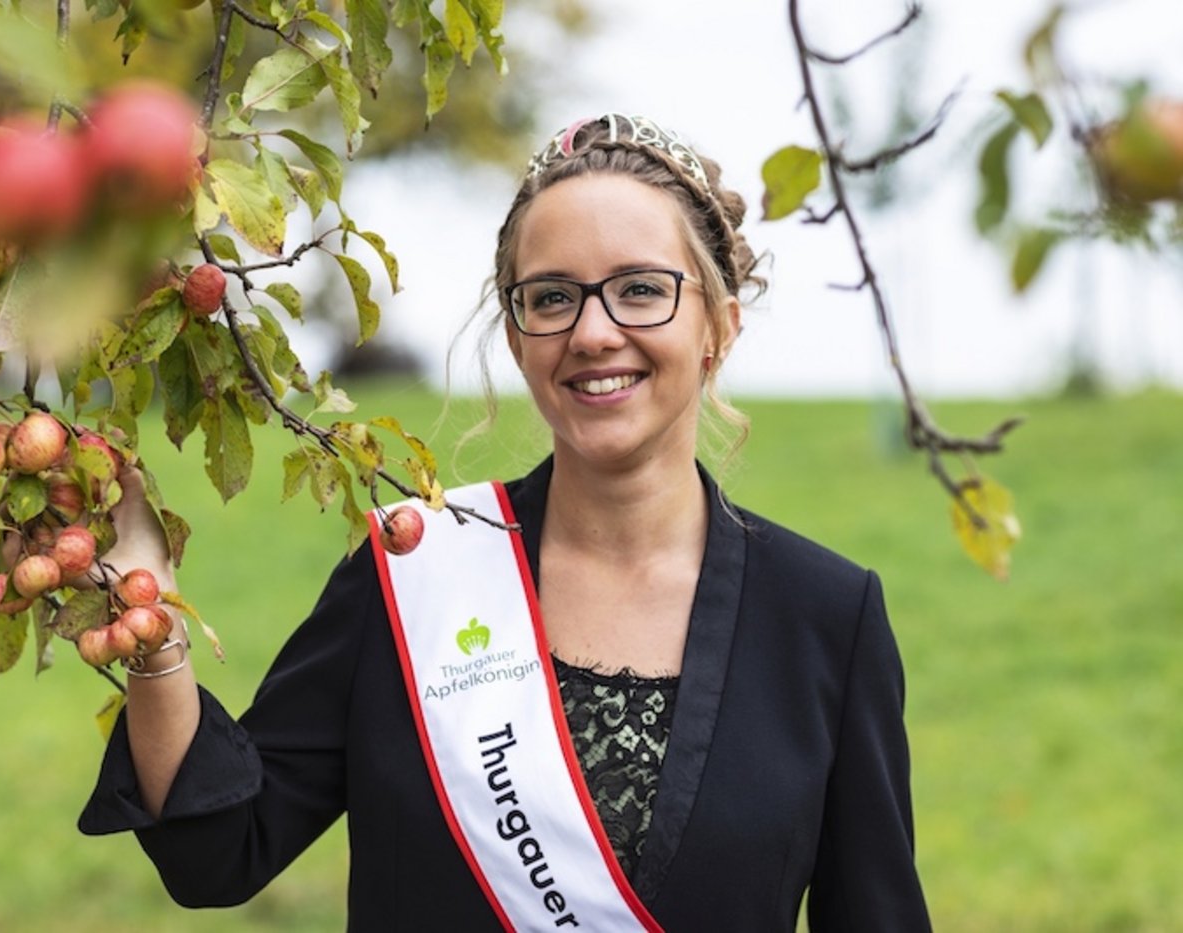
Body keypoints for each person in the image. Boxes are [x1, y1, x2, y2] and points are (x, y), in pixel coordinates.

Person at [79, 113, 933, 931]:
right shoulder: (412, 573)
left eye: (641, 290)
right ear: (519, 337)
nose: (594, 332)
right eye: (553, 297)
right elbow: (218, 854)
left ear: (719, 325)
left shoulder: (827, 618)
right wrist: (152, 622)